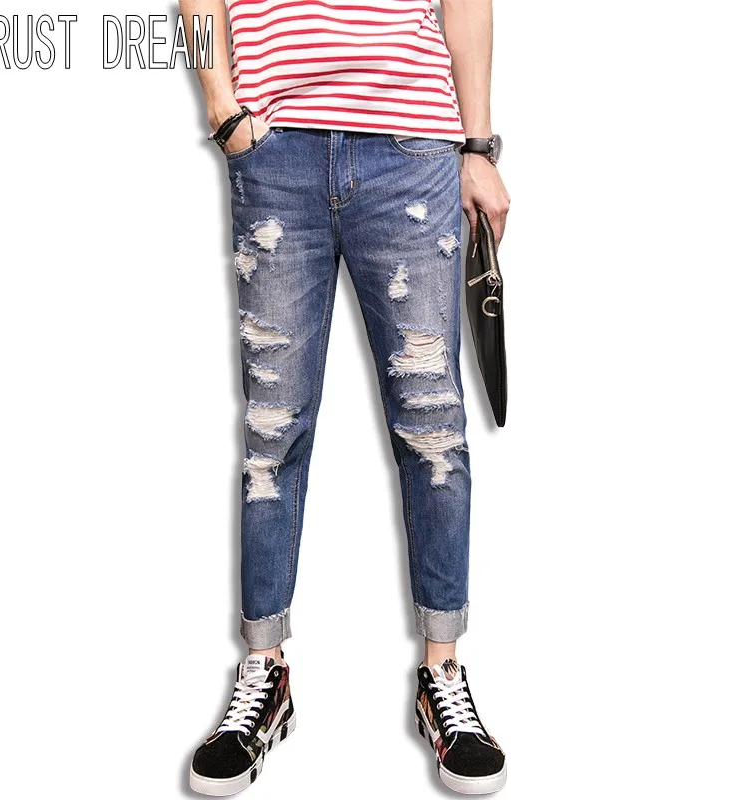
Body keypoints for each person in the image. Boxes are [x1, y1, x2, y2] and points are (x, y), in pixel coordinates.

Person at [179, 0, 511, 794]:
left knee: (431, 426)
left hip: (411, 148)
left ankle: (442, 672)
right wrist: (222, 108)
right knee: (273, 426)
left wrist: (477, 146)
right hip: (276, 151)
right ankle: (264, 672)